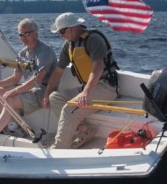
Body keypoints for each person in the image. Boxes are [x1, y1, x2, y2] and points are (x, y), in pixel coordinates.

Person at [0, 18, 57, 145]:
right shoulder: (22, 53)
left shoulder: (45, 51)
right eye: (20, 35)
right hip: (29, 89)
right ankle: (15, 128)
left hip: (44, 91)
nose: (23, 38)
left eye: (26, 34)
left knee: (10, 99)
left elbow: (37, 80)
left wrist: (14, 91)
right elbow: (15, 78)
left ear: (36, 33)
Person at [42, 12, 119, 149]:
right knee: (55, 98)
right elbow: (58, 72)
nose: (61, 35)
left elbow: (98, 68)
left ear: (72, 27)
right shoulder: (68, 46)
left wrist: (86, 93)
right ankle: (85, 131)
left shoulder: (93, 39)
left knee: (69, 108)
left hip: (106, 87)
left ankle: (59, 148)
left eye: (62, 31)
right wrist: (46, 94)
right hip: (86, 87)